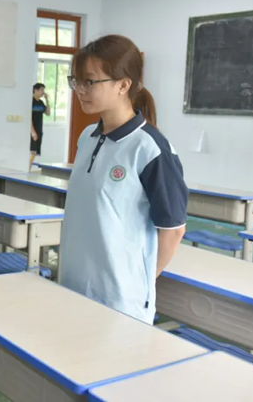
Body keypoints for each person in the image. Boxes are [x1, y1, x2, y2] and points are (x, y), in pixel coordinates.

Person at [59, 34, 187, 324]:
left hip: (120, 300)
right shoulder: (87, 138)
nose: (80, 90)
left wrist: (137, 283)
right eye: (76, 81)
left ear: (123, 85)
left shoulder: (150, 149)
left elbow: (173, 230)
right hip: (73, 285)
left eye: (90, 81)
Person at [30, 82, 50, 170]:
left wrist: (47, 100)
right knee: (32, 151)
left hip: (39, 130)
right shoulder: (31, 102)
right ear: (35, 90)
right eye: (41, 90)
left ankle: (28, 169)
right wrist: (32, 131)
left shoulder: (41, 102)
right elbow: (29, 118)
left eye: (43, 90)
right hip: (32, 131)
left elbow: (48, 113)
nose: (43, 92)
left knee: (35, 152)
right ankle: (27, 170)